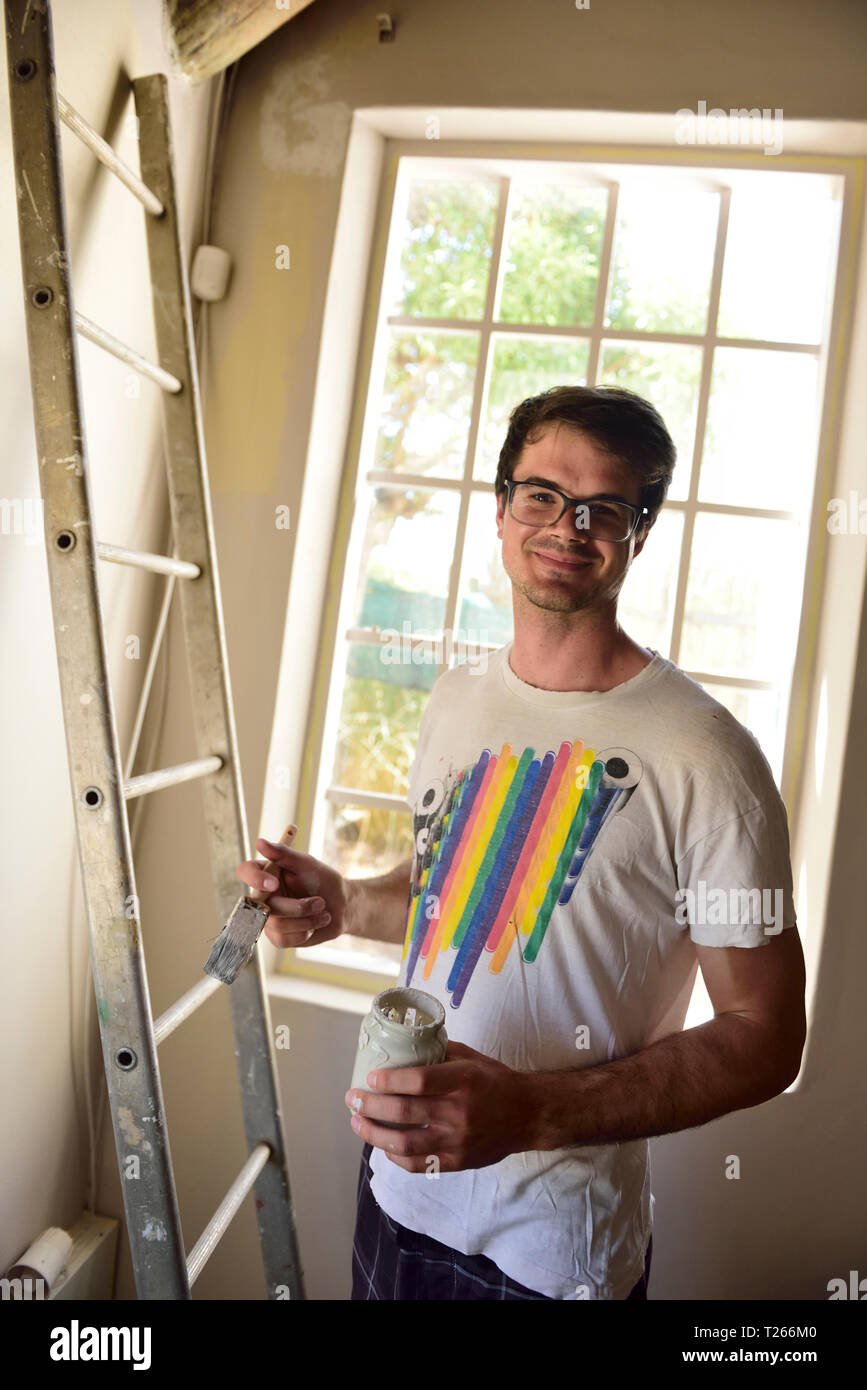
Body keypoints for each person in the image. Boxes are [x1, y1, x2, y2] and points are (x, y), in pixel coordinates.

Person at [237, 385, 807, 1301]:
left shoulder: (708, 757)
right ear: (499, 507)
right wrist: (341, 900)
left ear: (638, 534)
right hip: (396, 1194)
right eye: (542, 494)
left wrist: (534, 1113)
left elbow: (766, 1037)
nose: (566, 526)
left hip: (550, 1261)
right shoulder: (459, 697)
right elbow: (449, 891)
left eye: (605, 509)